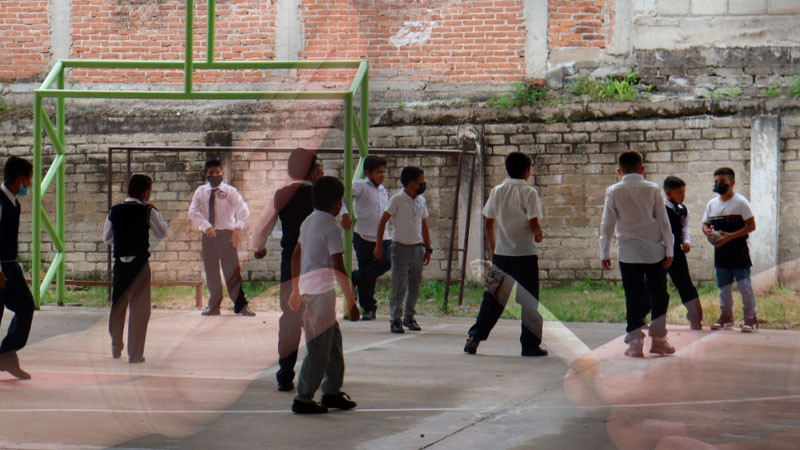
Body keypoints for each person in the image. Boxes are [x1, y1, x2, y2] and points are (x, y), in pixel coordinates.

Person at [251, 148, 328, 392]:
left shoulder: (282, 195)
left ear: (289, 171)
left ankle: (285, 374)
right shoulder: (322, 194)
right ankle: (321, 374)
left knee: (290, 319)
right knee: (319, 320)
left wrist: (259, 248)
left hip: (291, 266)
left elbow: (261, 227)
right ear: (315, 170)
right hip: (317, 265)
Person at [464, 152, 547, 357]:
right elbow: (533, 222)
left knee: (492, 298)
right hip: (525, 255)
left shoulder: (497, 191)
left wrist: (493, 248)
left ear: (507, 169)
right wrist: (538, 233)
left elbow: (488, 222)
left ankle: (475, 337)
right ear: (527, 171)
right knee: (529, 301)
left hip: (502, 254)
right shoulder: (529, 193)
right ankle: (529, 345)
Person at [288, 176, 359, 414]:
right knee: (319, 347)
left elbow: (296, 255)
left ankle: (331, 392)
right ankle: (303, 398)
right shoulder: (330, 226)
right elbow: (338, 266)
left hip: (310, 290)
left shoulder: (308, 221)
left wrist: (296, 288)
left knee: (333, 345)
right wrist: (351, 300)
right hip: (321, 293)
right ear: (338, 202)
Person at [600, 151, 675, 357]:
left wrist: (604, 251)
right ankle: (659, 339)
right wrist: (670, 249)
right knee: (659, 294)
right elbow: (663, 222)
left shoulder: (613, 191)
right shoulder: (653, 189)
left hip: (628, 253)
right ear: (642, 169)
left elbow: (607, 224)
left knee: (633, 296)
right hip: (655, 252)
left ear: (619, 171)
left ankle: (635, 342)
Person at [103, 174, 168, 363]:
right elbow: (162, 233)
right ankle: (135, 353)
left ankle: (116, 344)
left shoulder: (114, 211)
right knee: (140, 309)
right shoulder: (148, 212)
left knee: (118, 306)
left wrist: (123, 241)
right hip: (139, 265)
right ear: (146, 192)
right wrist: (157, 212)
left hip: (120, 265)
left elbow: (107, 238)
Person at [188, 160, 255, 316]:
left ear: (223, 173)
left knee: (231, 271)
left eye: (217, 172)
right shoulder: (201, 191)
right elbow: (193, 211)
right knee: (211, 271)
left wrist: (238, 228)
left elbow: (243, 210)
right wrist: (206, 226)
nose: (215, 176)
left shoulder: (230, 191)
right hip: (209, 235)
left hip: (227, 235)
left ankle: (240, 305)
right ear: (206, 175)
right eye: (211, 173)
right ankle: (214, 305)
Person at [374, 166, 431, 334]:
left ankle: (409, 316)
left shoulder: (421, 200)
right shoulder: (397, 199)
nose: (423, 184)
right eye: (421, 181)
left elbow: (424, 225)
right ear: (412, 183)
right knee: (399, 284)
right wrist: (378, 245)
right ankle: (395, 319)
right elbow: (383, 221)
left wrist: (428, 248)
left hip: (417, 247)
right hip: (400, 247)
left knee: (415, 283)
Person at [701, 167, 758, 332]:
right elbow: (705, 224)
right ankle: (726, 317)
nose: (718, 185)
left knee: (744, 287)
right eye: (716, 182)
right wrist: (707, 231)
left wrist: (731, 236)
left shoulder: (741, 202)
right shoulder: (711, 204)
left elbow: (751, 225)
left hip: (739, 252)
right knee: (723, 288)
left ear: (732, 183)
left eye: (723, 182)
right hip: (720, 253)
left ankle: (751, 319)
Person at [340, 155, 391, 320]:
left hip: (383, 237)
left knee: (387, 261)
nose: (382, 175)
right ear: (368, 173)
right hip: (363, 236)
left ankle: (355, 277)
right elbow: (341, 195)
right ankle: (369, 308)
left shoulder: (383, 190)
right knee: (368, 275)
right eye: (378, 172)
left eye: (384, 172)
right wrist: (344, 213)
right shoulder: (360, 186)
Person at [0, 156, 34, 379]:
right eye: (29, 180)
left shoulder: (14, 202)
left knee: (26, 307)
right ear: (20, 179)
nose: (29, 185)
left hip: (11, 266)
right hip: (1, 268)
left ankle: (6, 355)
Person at [663, 176, 703, 330]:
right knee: (653, 286)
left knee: (685, 284)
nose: (683, 196)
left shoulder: (682, 210)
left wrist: (686, 241)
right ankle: (640, 318)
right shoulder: (659, 209)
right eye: (679, 193)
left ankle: (695, 317)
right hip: (660, 252)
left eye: (684, 192)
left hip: (677, 253)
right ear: (668, 193)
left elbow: (684, 229)